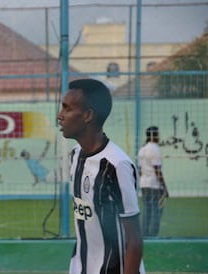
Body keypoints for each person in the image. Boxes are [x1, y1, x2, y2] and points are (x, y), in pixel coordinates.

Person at [57, 78, 145, 274]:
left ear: (88, 115)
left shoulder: (117, 165)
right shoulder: (76, 155)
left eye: (67, 109)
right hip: (81, 266)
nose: (60, 116)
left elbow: (135, 241)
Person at [138, 126, 169, 237]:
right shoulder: (155, 149)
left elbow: (140, 171)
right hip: (154, 185)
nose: (159, 137)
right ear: (154, 135)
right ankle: (153, 235)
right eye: (158, 134)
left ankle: (145, 235)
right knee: (156, 211)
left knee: (147, 211)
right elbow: (157, 170)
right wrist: (164, 187)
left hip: (144, 184)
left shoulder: (142, 149)